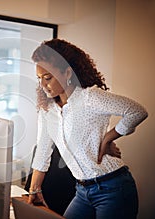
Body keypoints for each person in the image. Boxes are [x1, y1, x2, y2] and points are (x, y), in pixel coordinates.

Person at [27, 39, 148, 219]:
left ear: (67, 72)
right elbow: (43, 149)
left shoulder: (90, 97)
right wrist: (34, 189)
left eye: (48, 78)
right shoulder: (48, 110)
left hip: (113, 187)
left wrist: (109, 138)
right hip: (82, 191)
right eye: (39, 79)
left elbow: (137, 111)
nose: (43, 85)